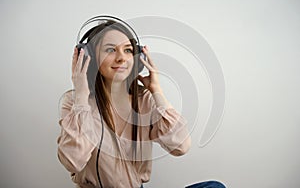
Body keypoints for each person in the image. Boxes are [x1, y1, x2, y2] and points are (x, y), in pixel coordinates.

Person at [57, 19, 225, 188]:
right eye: (110, 50)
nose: (121, 58)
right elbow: (73, 161)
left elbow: (181, 146)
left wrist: (156, 90)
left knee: (214, 187)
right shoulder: (74, 102)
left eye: (128, 50)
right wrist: (81, 96)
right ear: (90, 57)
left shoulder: (144, 99)